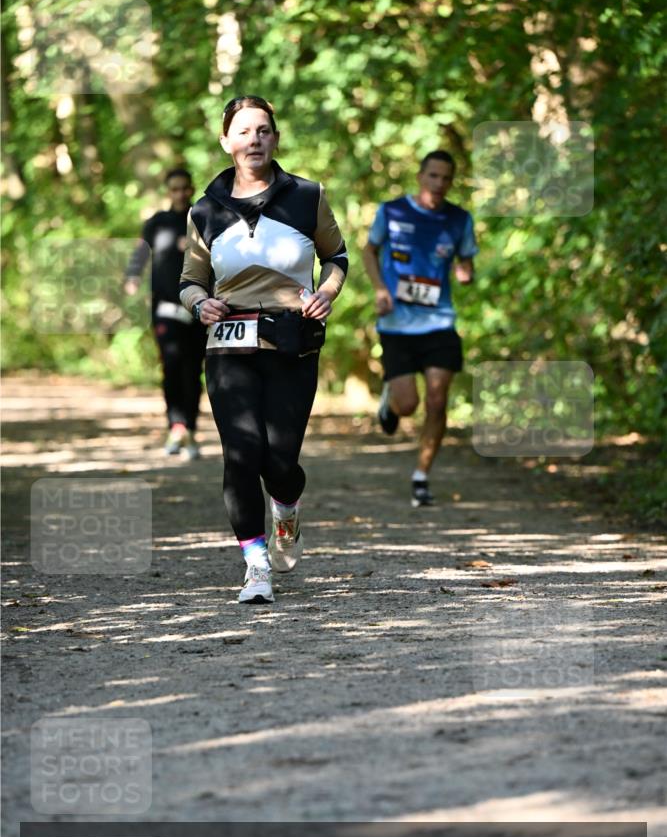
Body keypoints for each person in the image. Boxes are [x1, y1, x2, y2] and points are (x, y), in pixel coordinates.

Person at [179, 95, 348, 604]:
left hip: (292, 342)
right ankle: (256, 566)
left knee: (280, 462)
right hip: (227, 347)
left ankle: (287, 508)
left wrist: (326, 293)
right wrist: (200, 304)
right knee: (240, 455)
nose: (254, 139)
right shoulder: (205, 210)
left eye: (263, 130)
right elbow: (190, 280)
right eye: (244, 131)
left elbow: (336, 257)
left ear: (275, 138)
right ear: (225, 142)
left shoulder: (307, 196)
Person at [362, 150, 478, 507]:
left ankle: (421, 477)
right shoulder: (392, 211)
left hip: (439, 321)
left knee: (438, 400)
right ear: (420, 176)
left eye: (446, 178)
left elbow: (466, 261)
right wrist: (380, 289)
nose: (439, 183)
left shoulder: (459, 219)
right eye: (433, 176)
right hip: (397, 324)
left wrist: (466, 272)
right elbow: (368, 251)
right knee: (409, 404)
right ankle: (391, 402)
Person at [125, 168, 207, 459]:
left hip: (198, 309)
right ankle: (176, 427)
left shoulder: (203, 219)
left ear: (191, 189)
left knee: (193, 371)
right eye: (175, 189)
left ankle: (190, 431)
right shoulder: (157, 223)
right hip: (164, 308)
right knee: (171, 366)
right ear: (168, 192)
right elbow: (140, 252)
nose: (180, 194)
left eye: (185, 188)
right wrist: (132, 277)